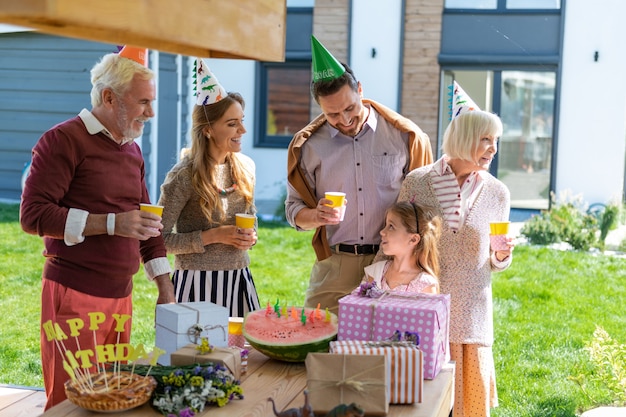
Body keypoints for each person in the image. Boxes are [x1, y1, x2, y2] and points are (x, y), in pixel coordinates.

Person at [19, 46, 175, 410]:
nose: (151, 113)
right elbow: (33, 215)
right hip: (74, 292)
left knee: (110, 397)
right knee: (71, 401)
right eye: (143, 102)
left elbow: (148, 221)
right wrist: (111, 224)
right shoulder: (62, 140)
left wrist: (165, 288)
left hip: (121, 297)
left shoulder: (132, 151)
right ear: (109, 97)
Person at [286, 35, 433, 313]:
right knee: (319, 347)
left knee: (387, 350)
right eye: (332, 115)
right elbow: (293, 210)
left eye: (350, 108)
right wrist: (315, 216)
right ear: (319, 107)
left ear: (360, 90)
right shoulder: (308, 146)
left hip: (392, 264)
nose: (344, 120)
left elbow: (424, 207)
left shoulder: (404, 136)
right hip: (335, 265)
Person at [398, 81, 515, 417]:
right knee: (424, 405)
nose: (493, 148)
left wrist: (502, 255)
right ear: (463, 138)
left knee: (467, 408)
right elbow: (397, 237)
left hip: (472, 311)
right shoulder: (418, 182)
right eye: (485, 140)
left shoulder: (498, 193)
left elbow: (493, 261)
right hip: (425, 307)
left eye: (495, 141)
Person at [158, 58, 259, 317]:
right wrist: (213, 236)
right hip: (195, 284)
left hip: (238, 280)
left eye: (241, 120)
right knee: (196, 356)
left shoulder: (246, 167)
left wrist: (252, 237)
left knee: (241, 355)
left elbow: (252, 221)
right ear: (208, 130)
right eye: (232, 123)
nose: (243, 130)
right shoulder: (183, 176)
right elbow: (158, 240)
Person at [360, 201, 441, 293]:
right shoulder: (376, 272)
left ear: (413, 239)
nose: (382, 232)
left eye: (391, 227)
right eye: (385, 225)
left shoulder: (425, 285)